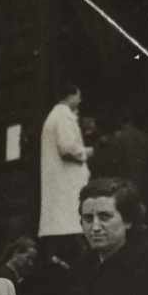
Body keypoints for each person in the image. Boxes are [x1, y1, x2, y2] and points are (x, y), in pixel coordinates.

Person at [38, 84, 93, 266]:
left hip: (61, 185)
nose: (80, 100)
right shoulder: (63, 116)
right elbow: (68, 148)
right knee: (70, 225)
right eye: (79, 96)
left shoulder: (55, 116)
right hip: (67, 184)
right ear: (71, 96)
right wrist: (88, 152)